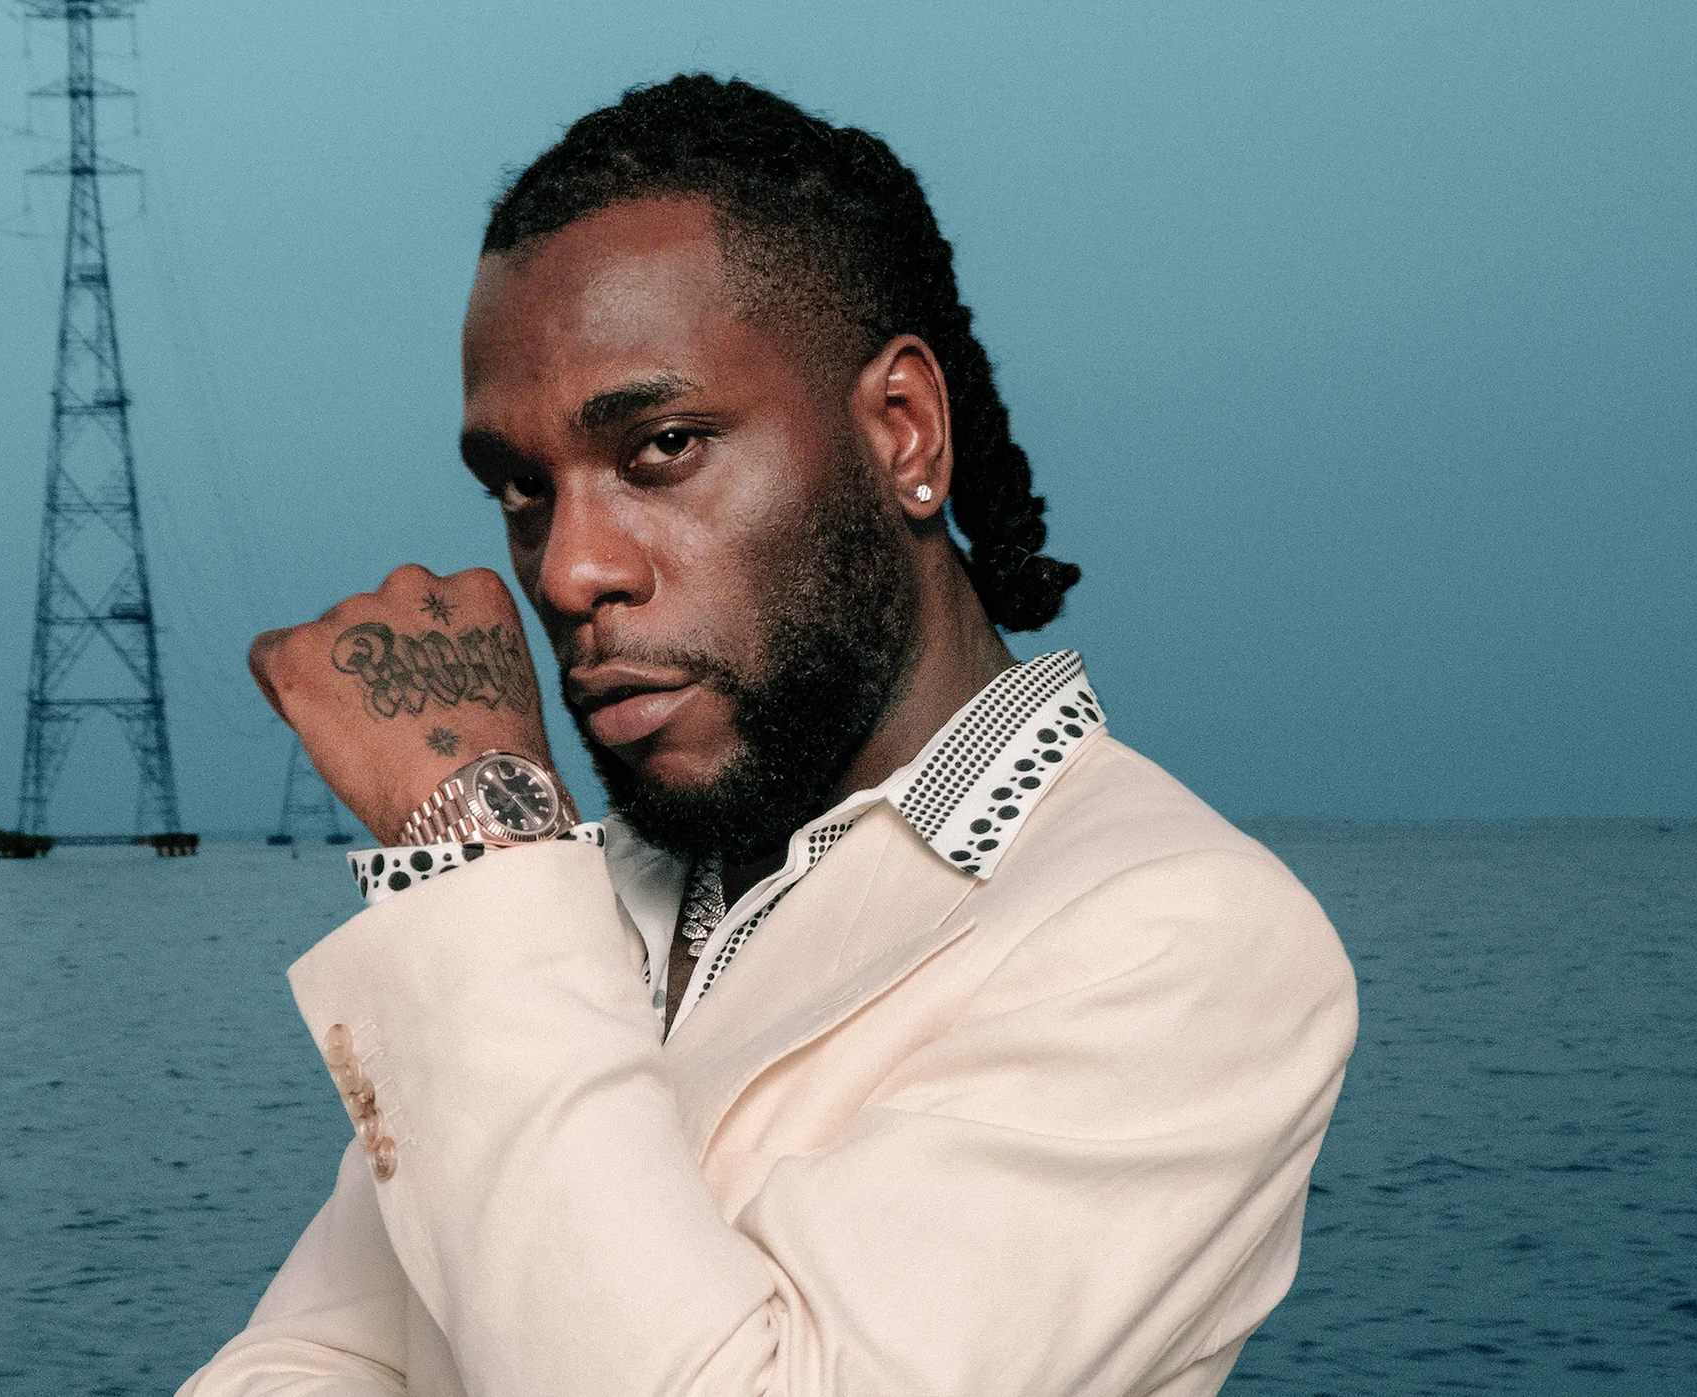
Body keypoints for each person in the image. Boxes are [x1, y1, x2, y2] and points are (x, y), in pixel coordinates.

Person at [182, 74, 1356, 1397]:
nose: (566, 571)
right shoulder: (569, 907)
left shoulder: (1178, 932)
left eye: (663, 446)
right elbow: (301, 1366)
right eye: (520, 488)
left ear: (903, 432)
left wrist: (478, 837)